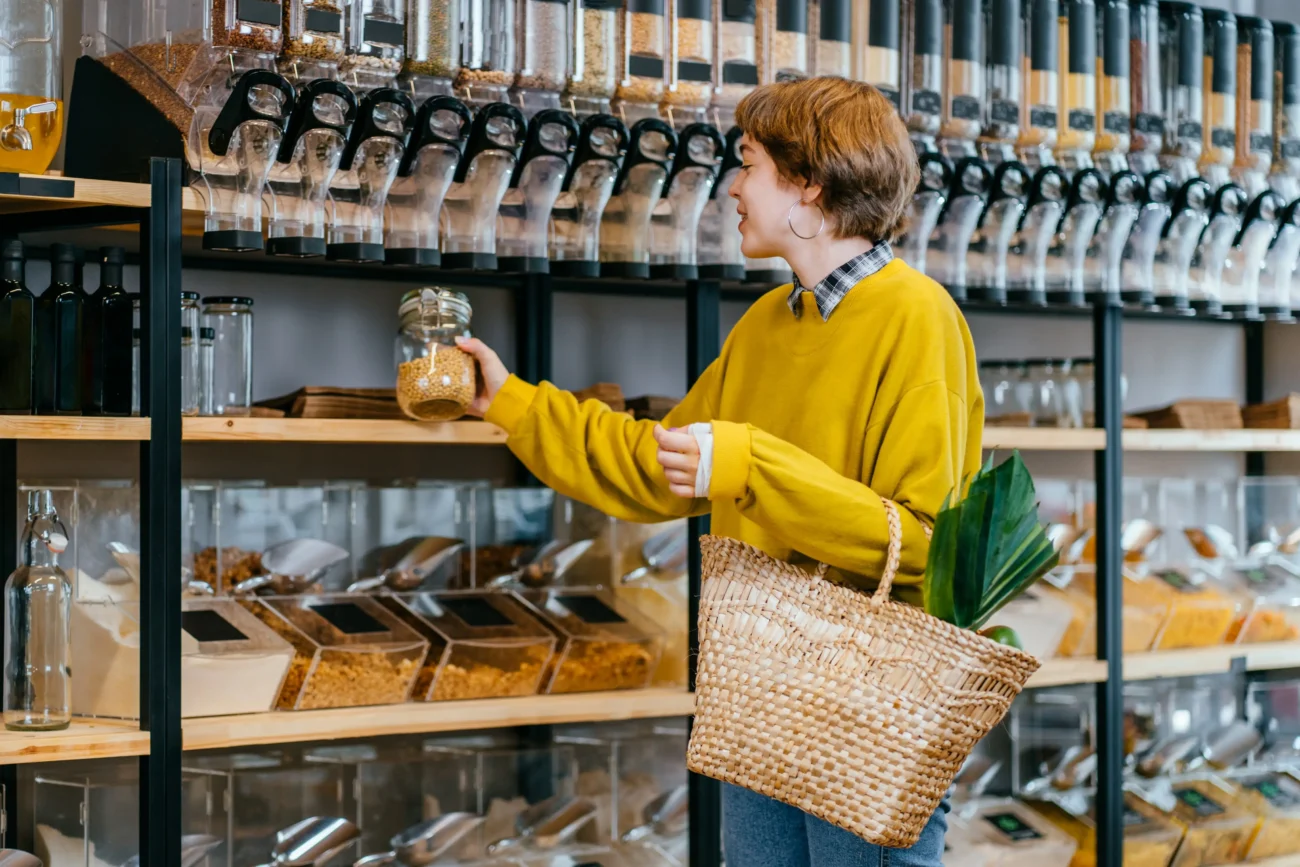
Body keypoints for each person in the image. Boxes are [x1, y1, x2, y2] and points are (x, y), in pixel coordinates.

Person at [457, 75, 983, 867]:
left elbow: (923, 542)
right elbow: (658, 464)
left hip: (865, 707)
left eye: (751, 164)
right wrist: (513, 403)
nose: (733, 186)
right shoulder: (768, 324)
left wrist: (745, 464)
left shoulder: (917, 317)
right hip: (760, 691)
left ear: (809, 182)